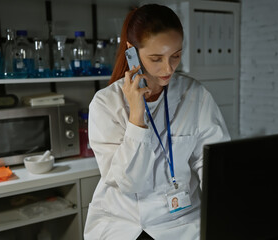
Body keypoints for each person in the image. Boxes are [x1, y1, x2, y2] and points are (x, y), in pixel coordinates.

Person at [84, 4, 230, 240]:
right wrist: (136, 118)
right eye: (156, 58)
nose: (168, 68)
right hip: (125, 224)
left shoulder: (196, 95)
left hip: (183, 222)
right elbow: (129, 182)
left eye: (176, 55)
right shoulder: (105, 104)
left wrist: (224, 203)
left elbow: (211, 161)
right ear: (131, 52)